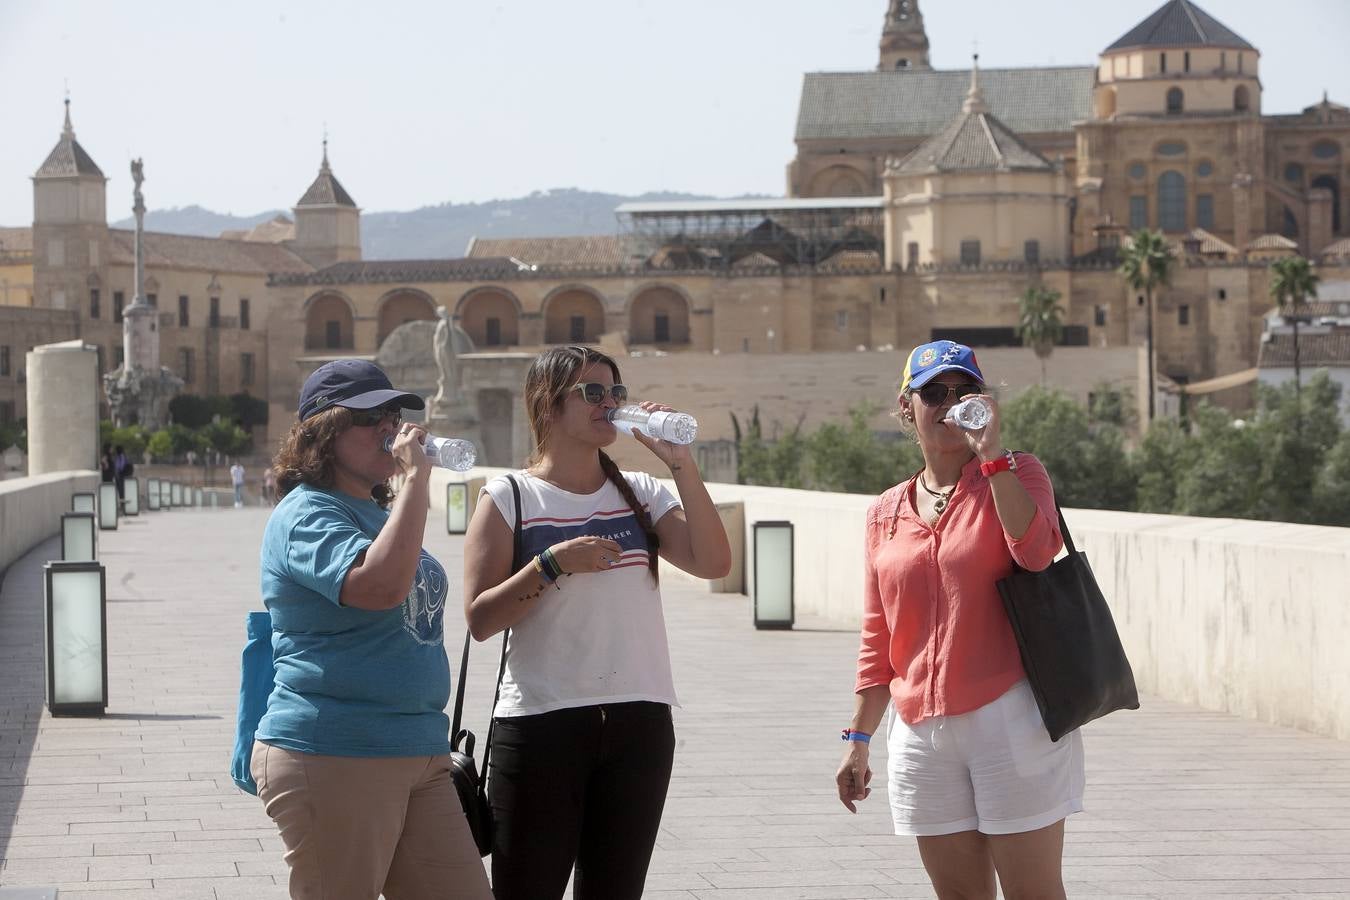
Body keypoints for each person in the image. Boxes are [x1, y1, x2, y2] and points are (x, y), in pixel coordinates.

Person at [462, 345, 732, 900]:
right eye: (592, 393)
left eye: (616, 393)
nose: (609, 404)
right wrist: (553, 563)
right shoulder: (510, 497)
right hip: (541, 725)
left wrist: (681, 464)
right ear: (547, 404)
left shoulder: (644, 493)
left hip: (641, 722)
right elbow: (481, 619)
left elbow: (714, 562)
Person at [835, 340, 1081, 900]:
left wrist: (992, 457)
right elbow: (880, 637)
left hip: (1010, 718)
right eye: (933, 393)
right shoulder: (885, 512)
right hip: (920, 730)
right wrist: (858, 738)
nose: (949, 404)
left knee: (1034, 892)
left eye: (964, 391)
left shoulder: (1019, 473)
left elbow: (1037, 553)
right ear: (907, 406)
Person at [252, 359, 491, 900]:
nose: (391, 427)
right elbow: (378, 587)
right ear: (324, 431)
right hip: (337, 751)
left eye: (393, 412)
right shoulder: (306, 514)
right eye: (371, 417)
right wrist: (415, 480)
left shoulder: (378, 516)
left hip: (420, 750)